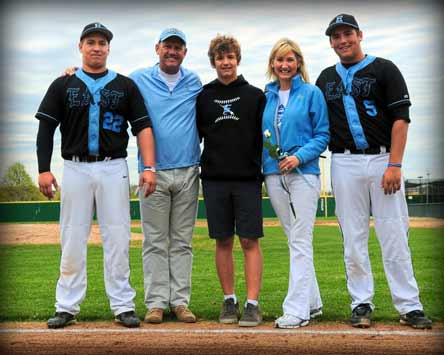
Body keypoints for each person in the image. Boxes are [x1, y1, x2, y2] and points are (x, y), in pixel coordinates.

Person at [316, 13, 432, 329]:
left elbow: (400, 119)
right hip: (344, 162)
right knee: (352, 238)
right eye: (336, 36)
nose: (342, 40)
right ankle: (361, 303)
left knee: (394, 234)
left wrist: (395, 164)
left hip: (382, 160)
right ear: (331, 42)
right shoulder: (325, 78)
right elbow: (316, 122)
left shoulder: (385, 69)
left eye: (347, 34)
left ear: (360, 35)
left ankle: (409, 306)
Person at [36, 22, 156, 329]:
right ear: (80, 46)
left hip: (113, 165)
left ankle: (123, 305)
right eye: (91, 41)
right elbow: (46, 128)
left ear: (108, 48)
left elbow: (142, 126)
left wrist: (148, 167)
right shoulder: (62, 84)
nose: (97, 47)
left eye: (102, 42)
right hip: (75, 167)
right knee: (72, 236)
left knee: (117, 236)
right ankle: (66, 306)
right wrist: (43, 169)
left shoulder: (125, 85)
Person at [129, 28, 202, 324]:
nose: (173, 51)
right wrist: (71, 71)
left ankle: (180, 302)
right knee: (155, 241)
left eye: (178, 47)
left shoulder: (194, 81)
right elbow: (112, 90)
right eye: (168, 46)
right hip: (152, 173)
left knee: (182, 241)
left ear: (184, 52)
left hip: (188, 171)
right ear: (157, 48)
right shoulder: (137, 79)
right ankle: (157, 302)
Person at [196, 35, 266, 327]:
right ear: (213, 62)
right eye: (220, 58)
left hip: (248, 179)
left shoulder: (255, 95)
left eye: (231, 57)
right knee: (222, 240)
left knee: (249, 240)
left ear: (238, 59)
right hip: (214, 179)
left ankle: (252, 304)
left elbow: (266, 137)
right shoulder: (203, 96)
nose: (226, 63)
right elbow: (196, 135)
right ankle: (229, 300)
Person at [262, 38, 329, 328]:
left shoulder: (312, 93)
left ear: (298, 62)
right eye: (279, 60)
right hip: (273, 174)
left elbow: (322, 135)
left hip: (303, 174)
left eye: (290, 59)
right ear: (272, 64)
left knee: (301, 240)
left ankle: (297, 310)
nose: (284, 65)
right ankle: (313, 303)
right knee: (294, 240)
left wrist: (299, 157)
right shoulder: (266, 96)